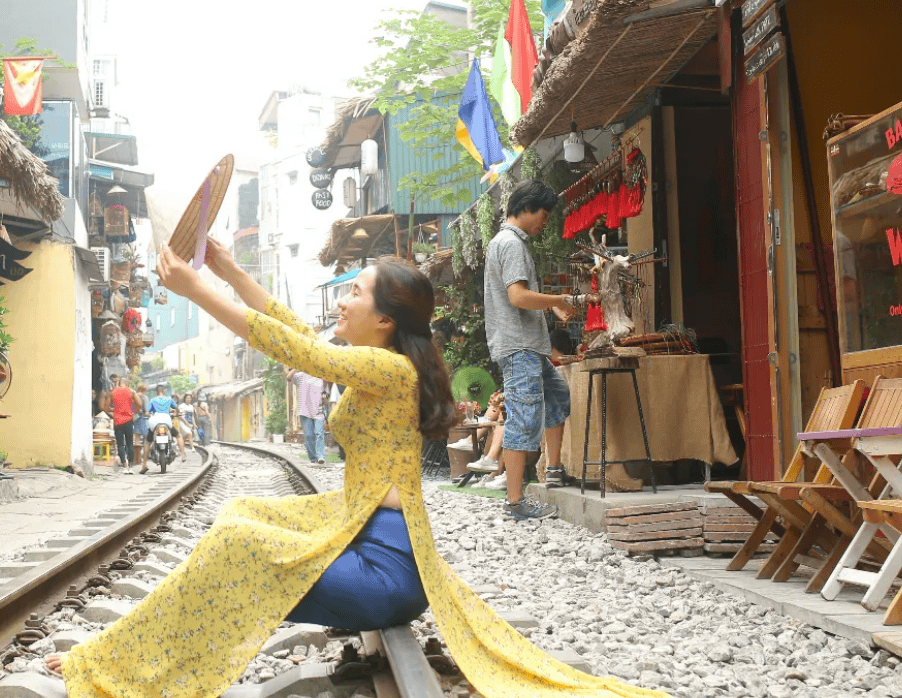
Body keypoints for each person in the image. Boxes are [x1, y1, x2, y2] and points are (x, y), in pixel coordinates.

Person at [44, 239, 663, 698]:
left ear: (385, 320)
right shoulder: (377, 360)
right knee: (240, 516)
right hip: (365, 536)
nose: (342, 301)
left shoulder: (390, 369)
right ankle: (125, 658)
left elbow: (294, 348)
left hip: (386, 569)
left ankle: (122, 668)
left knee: (236, 542)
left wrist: (196, 290)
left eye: (354, 293)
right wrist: (227, 268)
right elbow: (290, 331)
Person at [484, 180, 598, 520]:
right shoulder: (511, 244)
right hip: (519, 347)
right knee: (522, 419)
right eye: (544, 215)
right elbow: (518, 297)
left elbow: (519, 299)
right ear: (527, 208)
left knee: (558, 396)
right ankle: (515, 503)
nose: (544, 222)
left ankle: (553, 469)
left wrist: (551, 308)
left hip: (527, 345)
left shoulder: (506, 242)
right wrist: (563, 300)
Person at [287, 368, 326, 464]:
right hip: (305, 411)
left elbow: (325, 395)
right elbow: (288, 377)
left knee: (319, 434)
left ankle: (320, 456)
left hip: (318, 412)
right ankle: (313, 458)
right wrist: (296, 367)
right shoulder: (301, 376)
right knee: (309, 436)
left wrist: (324, 401)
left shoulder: (321, 378)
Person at [110, 376, 137, 475]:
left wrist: (113, 411)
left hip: (117, 422)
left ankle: (124, 466)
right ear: (127, 384)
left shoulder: (113, 392)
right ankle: (131, 467)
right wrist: (133, 412)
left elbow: (104, 406)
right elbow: (139, 403)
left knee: (120, 444)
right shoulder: (131, 392)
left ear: (119, 383)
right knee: (130, 443)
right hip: (129, 420)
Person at [147, 384, 182, 457]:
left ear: (156, 392)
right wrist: (177, 414)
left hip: (155, 421)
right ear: (164, 391)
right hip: (167, 421)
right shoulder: (169, 399)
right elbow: (176, 408)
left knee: (148, 440)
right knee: (178, 435)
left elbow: (147, 412)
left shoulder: (152, 400)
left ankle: (145, 461)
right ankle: (183, 454)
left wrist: (148, 415)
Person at [132, 384, 150, 474]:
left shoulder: (134, 395)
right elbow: (146, 411)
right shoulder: (145, 397)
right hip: (143, 419)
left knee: (137, 440)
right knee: (147, 440)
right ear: (145, 390)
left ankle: (137, 460)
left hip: (135, 419)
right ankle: (144, 458)